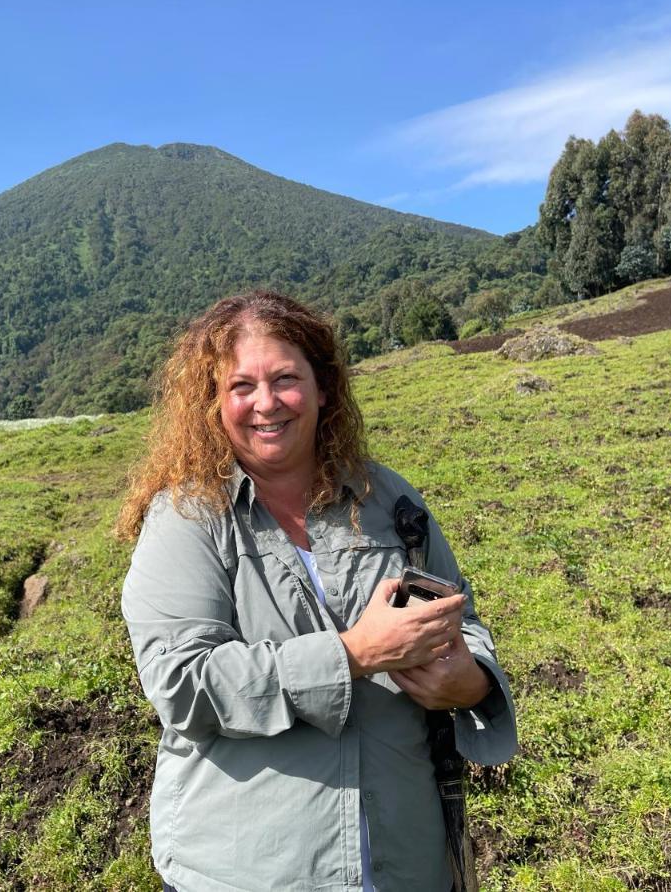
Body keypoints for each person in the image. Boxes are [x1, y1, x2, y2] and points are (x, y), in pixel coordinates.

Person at [117, 290, 517, 892]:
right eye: (241, 387)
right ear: (212, 403)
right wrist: (353, 655)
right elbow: (182, 682)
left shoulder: (388, 499)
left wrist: (473, 681)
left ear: (323, 387)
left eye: (285, 378)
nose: (267, 403)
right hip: (255, 870)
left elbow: (464, 616)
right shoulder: (187, 516)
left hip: (404, 856)